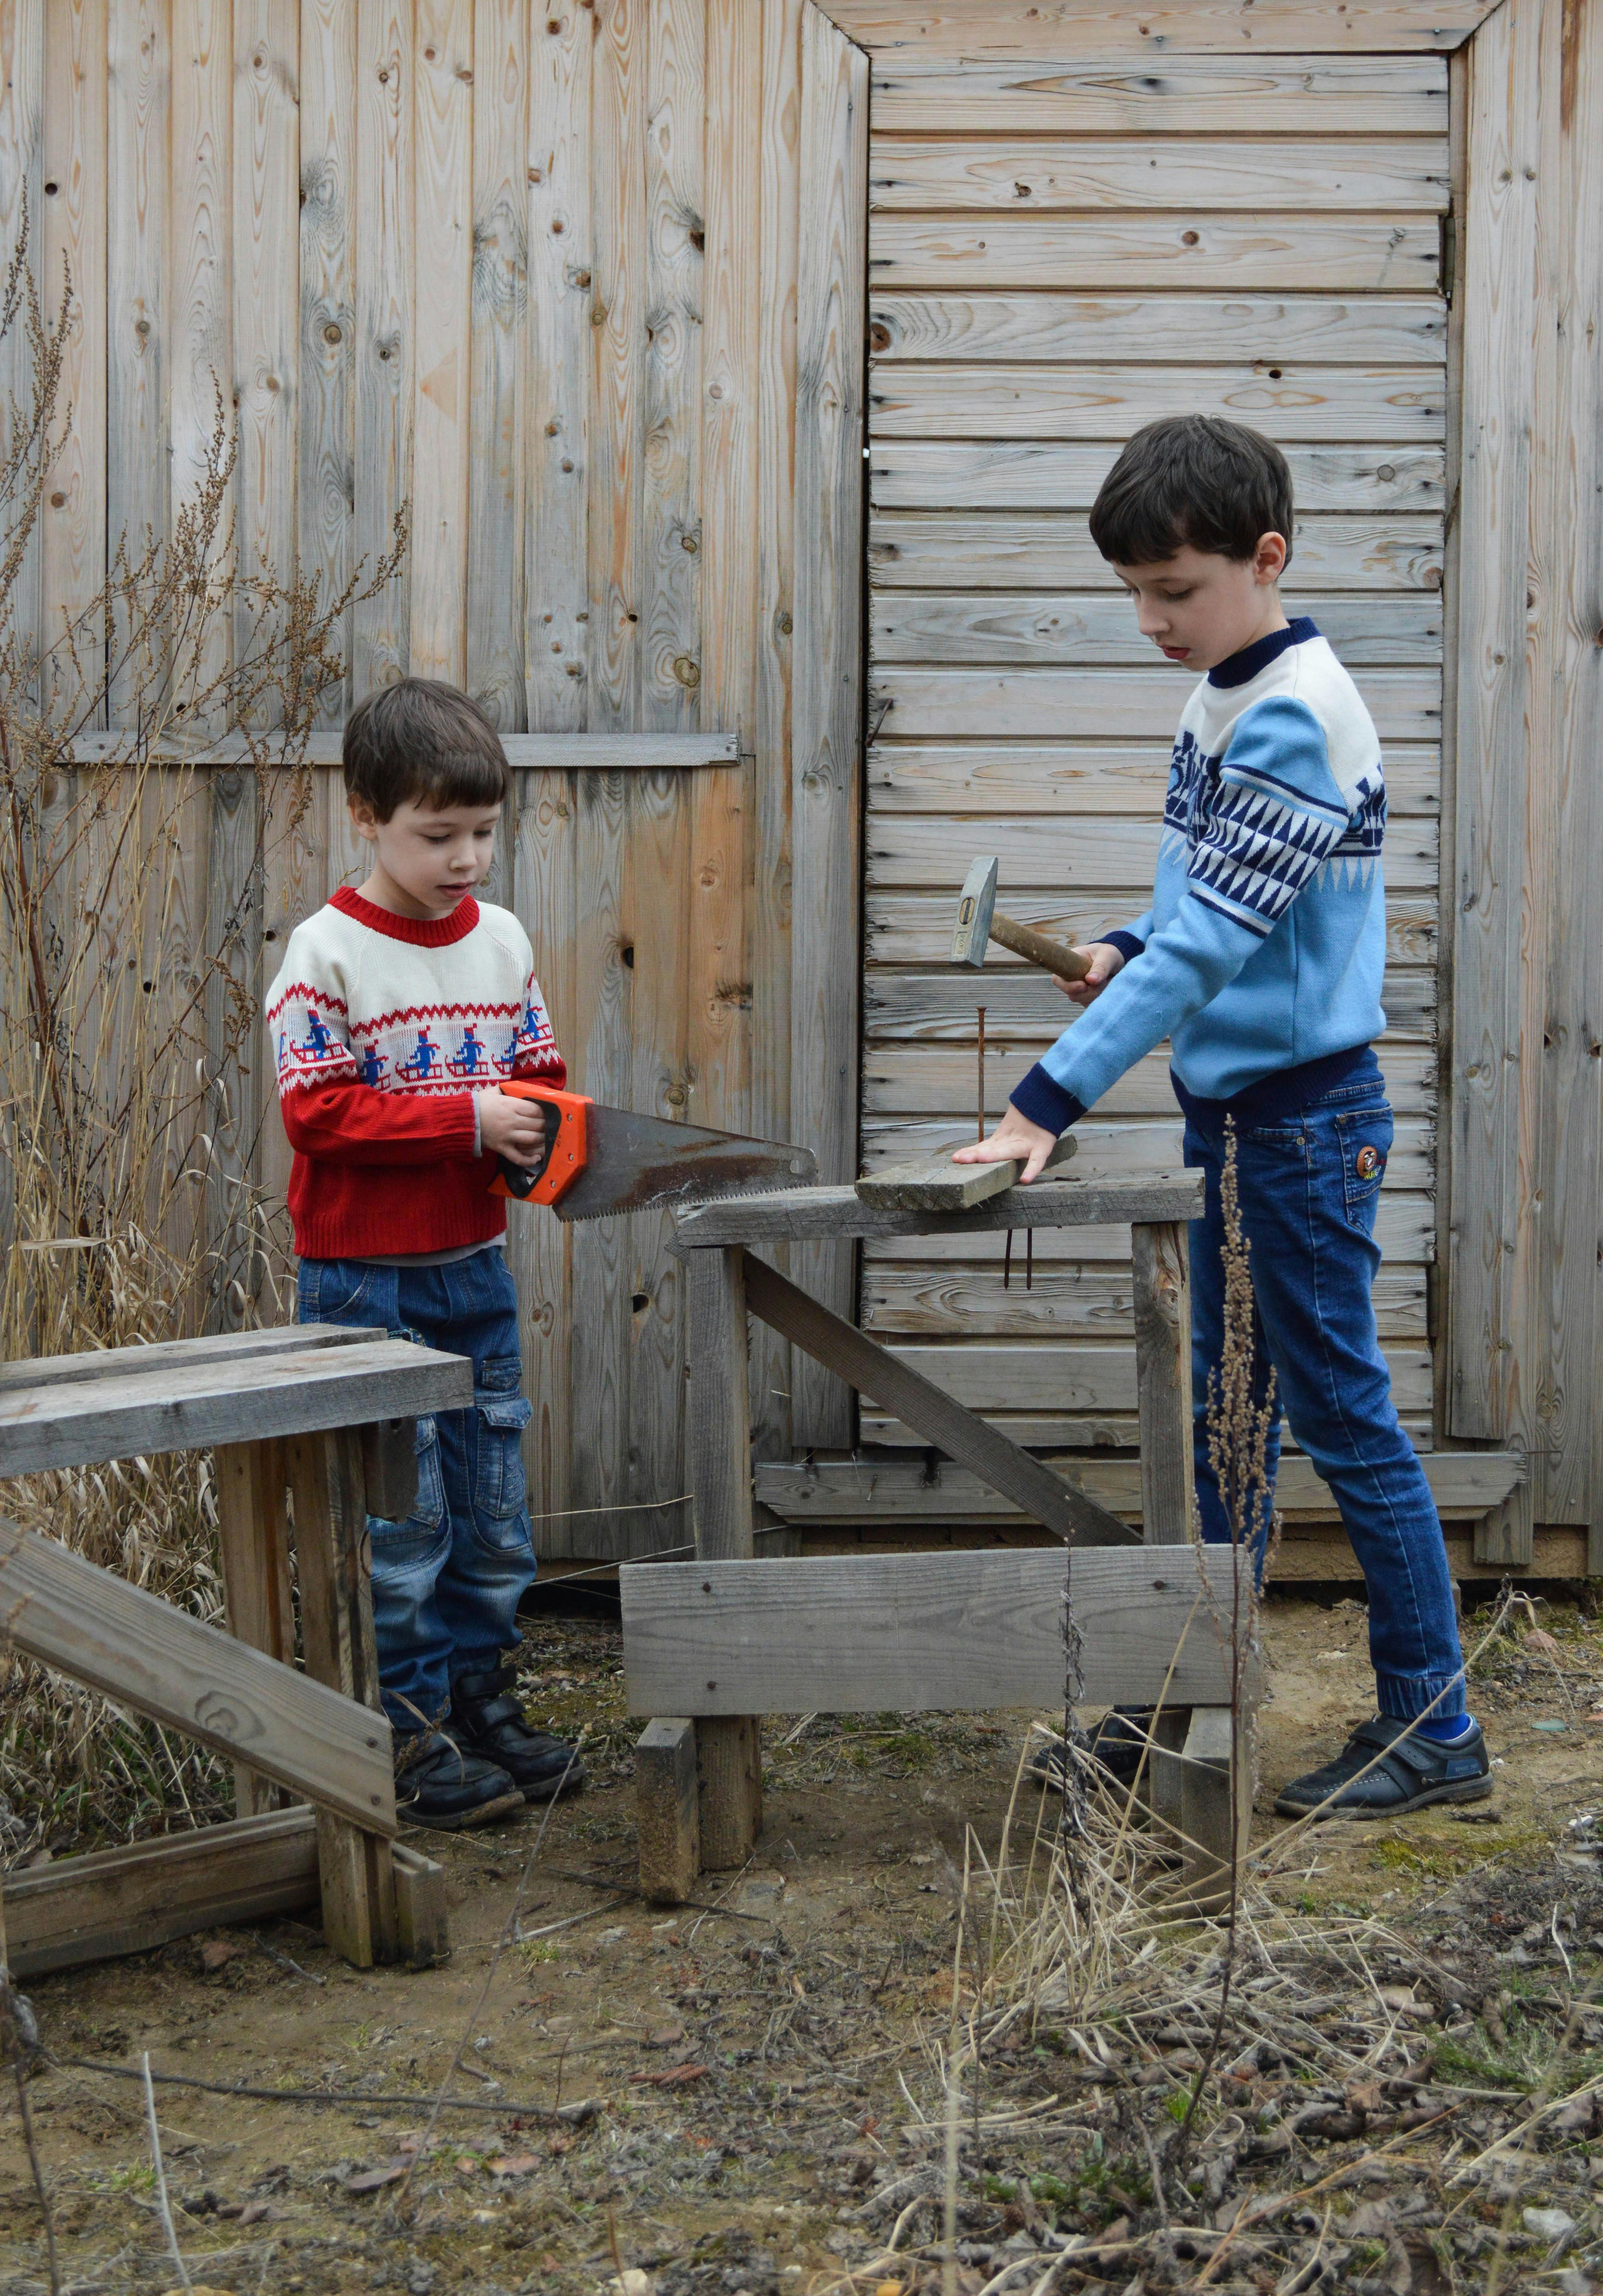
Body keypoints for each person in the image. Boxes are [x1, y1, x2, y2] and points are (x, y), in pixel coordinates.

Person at [956, 416, 1490, 1819]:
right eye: (1133, 591)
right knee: (1227, 1426)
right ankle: (1183, 1708)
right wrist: (1129, 943)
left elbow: (1219, 948)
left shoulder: (1301, 714)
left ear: (1267, 559)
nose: (1150, 620)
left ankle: (1435, 1727)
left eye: (1174, 589)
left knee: (1342, 1422)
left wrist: (1044, 1100)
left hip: (1303, 1129)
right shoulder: (1226, 691)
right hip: (1242, 1119)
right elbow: (1201, 914)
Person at [266, 678, 585, 1829]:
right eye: (436, 835)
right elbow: (318, 1114)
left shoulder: (502, 941)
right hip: (365, 1276)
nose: (466, 859)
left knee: (490, 1491)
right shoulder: (328, 951)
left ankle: (478, 1698)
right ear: (365, 814)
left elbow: (536, 1075)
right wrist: (467, 1122)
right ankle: (401, 1727)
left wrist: (545, 1134)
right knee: (400, 1516)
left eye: (484, 833)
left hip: (473, 1263)